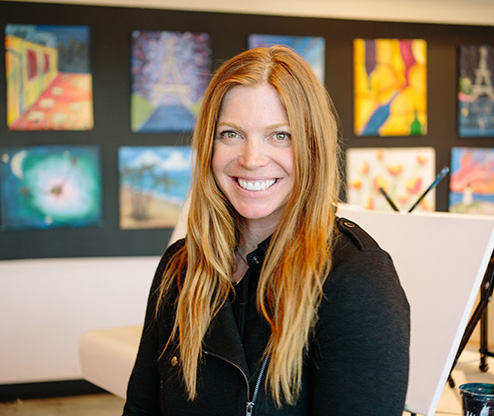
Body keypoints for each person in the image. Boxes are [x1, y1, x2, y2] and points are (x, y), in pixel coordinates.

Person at [123, 45, 410, 416]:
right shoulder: (179, 268)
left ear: (313, 147)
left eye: (280, 136)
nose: (252, 159)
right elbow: (141, 409)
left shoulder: (357, 279)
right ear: (208, 145)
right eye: (230, 134)